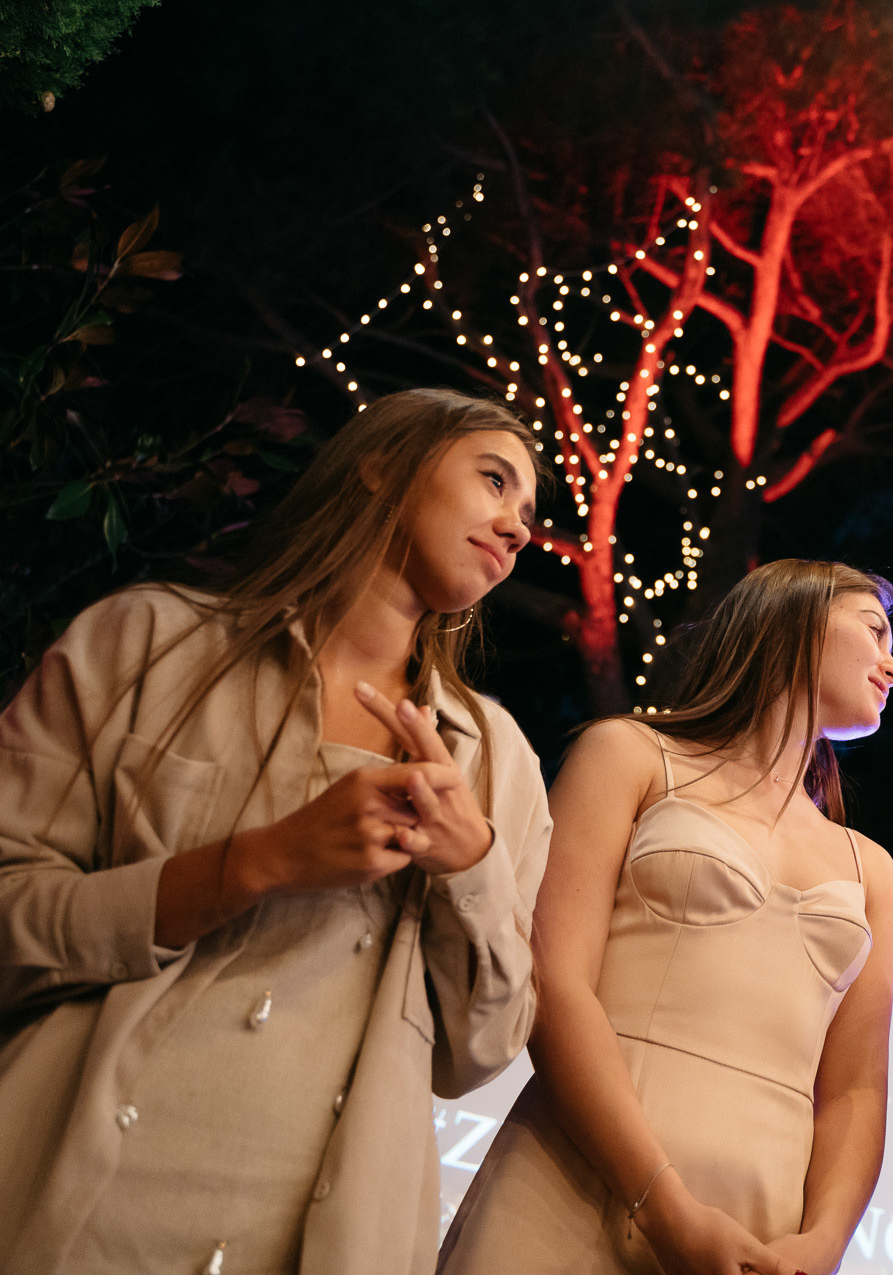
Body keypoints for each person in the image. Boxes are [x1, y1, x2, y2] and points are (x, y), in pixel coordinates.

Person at [0, 388, 553, 1274]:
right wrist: (253, 862)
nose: (518, 526)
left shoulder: (498, 765)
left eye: (528, 513)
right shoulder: (143, 645)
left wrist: (471, 866)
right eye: (493, 480)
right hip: (66, 1213)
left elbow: (479, 1052)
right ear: (381, 461)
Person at [440, 559, 893, 1275]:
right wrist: (661, 1203)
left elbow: (855, 1088)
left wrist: (822, 1245)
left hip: (762, 1235)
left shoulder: (870, 865)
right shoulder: (629, 754)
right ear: (796, 615)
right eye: (874, 630)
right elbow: (557, 979)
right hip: (575, 1185)